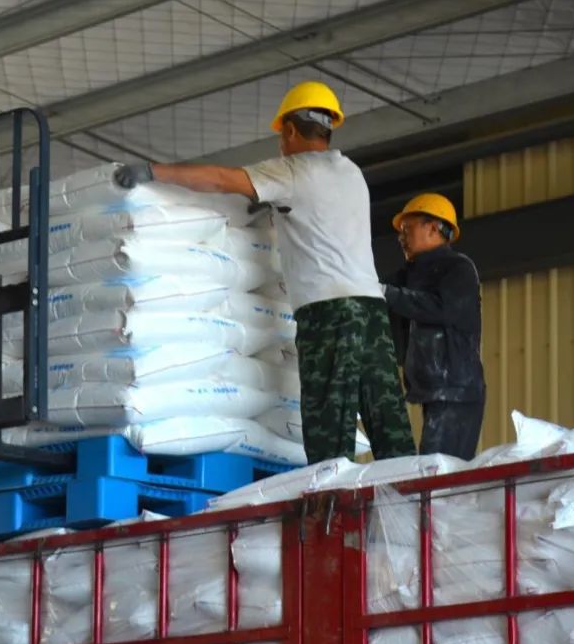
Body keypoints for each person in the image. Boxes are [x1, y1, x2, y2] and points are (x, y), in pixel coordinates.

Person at [114, 81, 415, 464]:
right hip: (372, 312)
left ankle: (330, 500)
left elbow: (221, 180)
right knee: (388, 422)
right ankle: (413, 493)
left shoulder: (291, 171)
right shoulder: (351, 172)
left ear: (289, 130)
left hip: (329, 314)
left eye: (281, 136)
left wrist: (153, 172)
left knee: (329, 426)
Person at [382, 193, 485, 459]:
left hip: (456, 390)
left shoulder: (458, 269)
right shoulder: (409, 275)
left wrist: (387, 294)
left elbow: (442, 308)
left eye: (408, 228)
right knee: (432, 465)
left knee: (437, 469)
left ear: (433, 227)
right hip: (432, 390)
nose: (401, 237)